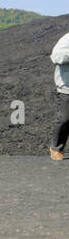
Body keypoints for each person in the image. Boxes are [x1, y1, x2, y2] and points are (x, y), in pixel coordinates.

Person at [50, 30, 69, 161]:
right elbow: (56, 56)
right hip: (66, 86)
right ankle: (56, 148)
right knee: (65, 118)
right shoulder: (67, 39)